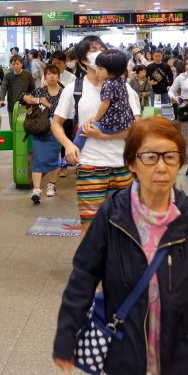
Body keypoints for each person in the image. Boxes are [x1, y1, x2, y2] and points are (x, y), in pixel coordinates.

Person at [52, 116, 188, 375]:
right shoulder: (113, 215)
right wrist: (67, 336)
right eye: (150, 156)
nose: (161, 167)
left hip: (178, 347)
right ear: (131, 163)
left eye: (170, 156)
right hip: (123, 347)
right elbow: (83, 276)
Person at [51, 39, 141, 231]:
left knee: (124, 225)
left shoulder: (125, 88)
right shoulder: (73, 89)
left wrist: (104, 136)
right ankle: (89, 262)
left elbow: (137, 127)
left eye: (103, 49)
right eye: (94, 50)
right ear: (84, 60)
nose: (100, 53)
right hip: (90, 167)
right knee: (90, 226)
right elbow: (56, 124)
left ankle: (119, 261)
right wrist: (68, 145)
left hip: (122, 165)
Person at [73, 49, 135, 150]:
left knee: (83, 129)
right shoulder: (121, 81)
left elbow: (105, 104)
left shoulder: (108, 84)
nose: (97, 71)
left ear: (112, 70)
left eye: (101, 69)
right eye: (97, 67)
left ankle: (73, 154)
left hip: (111, 124)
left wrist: (95, 119)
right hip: (125, 123)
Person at [23, 65, 63, 203]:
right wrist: (39, 100)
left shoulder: (64, 93)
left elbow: (65, 112)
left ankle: (52, 185)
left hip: (57, 130)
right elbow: (25, 98)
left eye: (54, 74)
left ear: (58, 76)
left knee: (55, 157)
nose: (51, 76)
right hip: (40, 129)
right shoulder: (40, 91)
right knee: (38, 158)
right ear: (45, 76)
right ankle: (36, 189)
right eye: (48, 74)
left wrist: (48, 105)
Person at [0, 55, 35, 126]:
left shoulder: (28, 75)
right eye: (13, 64)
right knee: (13, 126)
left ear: (22, 64)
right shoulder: (8, 75)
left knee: (24, 125)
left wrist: (32, 100)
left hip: (25, 105)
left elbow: (32, 89)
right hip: (12, 105)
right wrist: (1, 99)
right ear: (10, 65)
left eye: (17, 64)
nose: (16, 66)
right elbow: (3, 87)